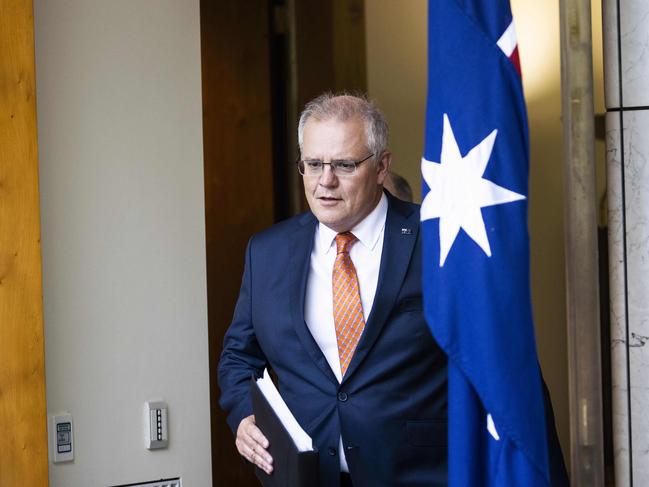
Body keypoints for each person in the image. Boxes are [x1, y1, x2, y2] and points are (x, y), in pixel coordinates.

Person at [218, 93, 567, 487]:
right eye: (313, 164)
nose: (325, 181)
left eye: (345, 165)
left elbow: (502, 361)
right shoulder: (267, 251)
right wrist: (245, 414)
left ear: (382, 166)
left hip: (419, 475)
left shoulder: (440, 241)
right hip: (307, 476)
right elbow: (238, 356)